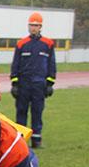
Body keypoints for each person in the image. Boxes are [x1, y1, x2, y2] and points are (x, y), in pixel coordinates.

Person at [10, 12, 57, 148]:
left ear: (40, 27)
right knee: (21, 112)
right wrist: (15, 83)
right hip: (24, 85)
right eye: (31, 25)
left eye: (36, 25)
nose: (33, 28)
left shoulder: (48, 44)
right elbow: (15, 64)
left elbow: (51, 64)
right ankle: (20, 141)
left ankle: (36, 140)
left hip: (39, 84)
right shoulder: (21, 44)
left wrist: (50, 83)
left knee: (37, 112)